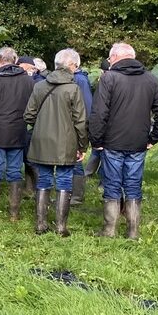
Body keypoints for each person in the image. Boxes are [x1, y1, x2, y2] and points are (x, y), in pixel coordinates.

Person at [88, 42, 158, 238]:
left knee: (112, 184)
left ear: (114, 57)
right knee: (133, 185)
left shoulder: (109, 79)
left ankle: (109, 230)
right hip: (138, 142)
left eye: (109, 58)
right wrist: (153, 137)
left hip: (112, 142)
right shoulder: (150, 79)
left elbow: (99, 113)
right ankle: (133, 232)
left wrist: (96, 139)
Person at [24, 49, 89, 236]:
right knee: (64, 180)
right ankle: (60, 227)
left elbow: (28, 115)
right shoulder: (73, 88)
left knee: (43, 179)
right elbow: (80, 121)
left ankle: (40, 224)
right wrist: (82, 145)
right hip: (66, 143)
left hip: (41, 141)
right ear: (71, 65)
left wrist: (42, 125)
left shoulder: (39, 86)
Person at [0, 47, 34, 220]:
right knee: (15, 171)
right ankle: (14, 212)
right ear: (15, 60)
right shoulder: (27, 80)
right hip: (19, 130)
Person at [70, 56, 94, 204]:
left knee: (75, 161)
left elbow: (86, 106)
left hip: (77, 127)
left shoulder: (80, 80)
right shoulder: (75, 79)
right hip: (71, 126)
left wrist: (84, 130)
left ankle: (77, 195)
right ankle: (69, 193)